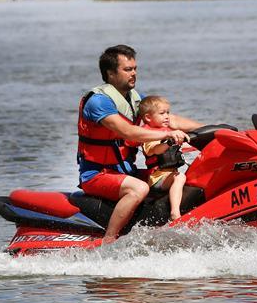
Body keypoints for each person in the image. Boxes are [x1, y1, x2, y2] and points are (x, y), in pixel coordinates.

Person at [77, 44, 201, 244]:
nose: (133, 73)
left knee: (192, 178)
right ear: (110, 73)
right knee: (139, 189)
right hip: (97, 174)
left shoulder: (136, 100)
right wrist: (168, 135)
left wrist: (214, 130)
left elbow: (169, 120)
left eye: (135, 68)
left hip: (127, 171)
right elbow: (128, 131)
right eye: (127, 69)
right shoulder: (98, 102)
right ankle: (109, 240)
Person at [137, 96, 187, 221]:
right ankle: (175, 213)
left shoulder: (167, 131)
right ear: (148, 117)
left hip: (168, 175)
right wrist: (169, 143)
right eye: (162, 113)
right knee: (180, 177)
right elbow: (155, 150)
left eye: (168, 113)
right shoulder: (148, 135)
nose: (167, 116)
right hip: (157, 178)